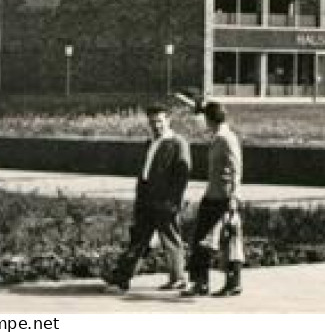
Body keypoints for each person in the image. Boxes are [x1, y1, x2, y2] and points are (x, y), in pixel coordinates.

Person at [103, 103, 191, 292]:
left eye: (159, 121)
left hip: (165, 201)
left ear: (168, 120)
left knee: (170, 239)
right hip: (146, 200)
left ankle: (178, 278)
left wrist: (174, 201)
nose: (156, 125)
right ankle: (122, 277)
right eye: (152, 122)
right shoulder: (150, 142)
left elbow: (182, 175)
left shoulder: (178, 143)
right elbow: (145, 172)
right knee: (139, 238)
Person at [187, 101, 245, 298]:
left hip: (223, 198)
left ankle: (223, 283)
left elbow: (236, 170)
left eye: (204, 118)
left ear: (210, 119)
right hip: (213, 195)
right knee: (209, 239)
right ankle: (206, 283)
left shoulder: (227, 139)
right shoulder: (218, 137)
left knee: (216, 239)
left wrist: (234, 198)